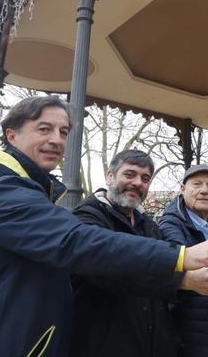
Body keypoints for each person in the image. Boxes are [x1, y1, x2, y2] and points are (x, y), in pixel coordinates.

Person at [0, 96, 208, 357]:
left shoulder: (24, 192)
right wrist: (181, 257)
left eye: (64, 132)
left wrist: (186, 280)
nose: (57, 139)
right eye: (44, 128)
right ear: (11, 135)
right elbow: (79, 244)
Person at [70, 150, 183, 356]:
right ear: (110, 176)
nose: (138, 183)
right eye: (129, 174)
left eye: (145, 178)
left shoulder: (149, 226)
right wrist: (183, 279)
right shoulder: (86, 218)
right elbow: (110, 270)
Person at [160, 163, 208, 357]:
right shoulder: (171, 224)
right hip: (194, 342)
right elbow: (178, 266)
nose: (204, 190)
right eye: (197, 184)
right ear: (182, 189)